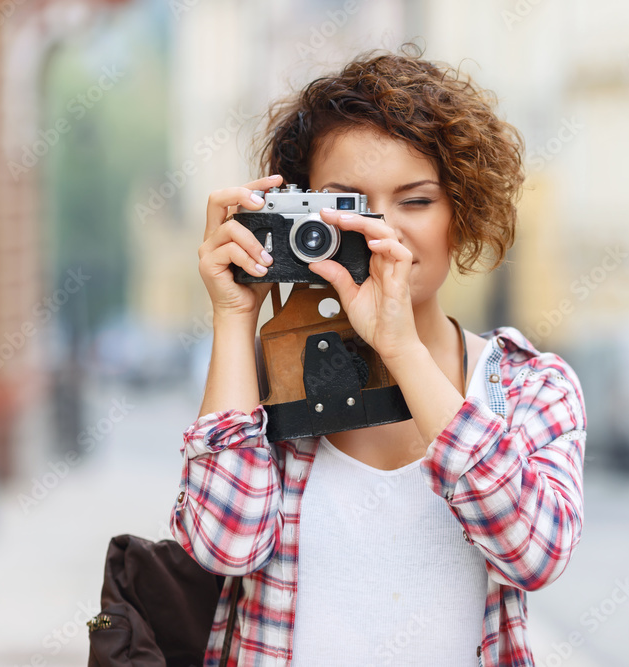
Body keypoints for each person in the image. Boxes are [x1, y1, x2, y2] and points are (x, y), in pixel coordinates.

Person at [172, 44, 587, 666]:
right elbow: (223, 548)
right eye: (348, 205)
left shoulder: (529, 388)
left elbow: (536, 555)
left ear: (461, 213)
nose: (382, 231)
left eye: (416, 201)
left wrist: (400, 345)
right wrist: (235, 318)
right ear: (298, 217)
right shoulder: (258, 386)